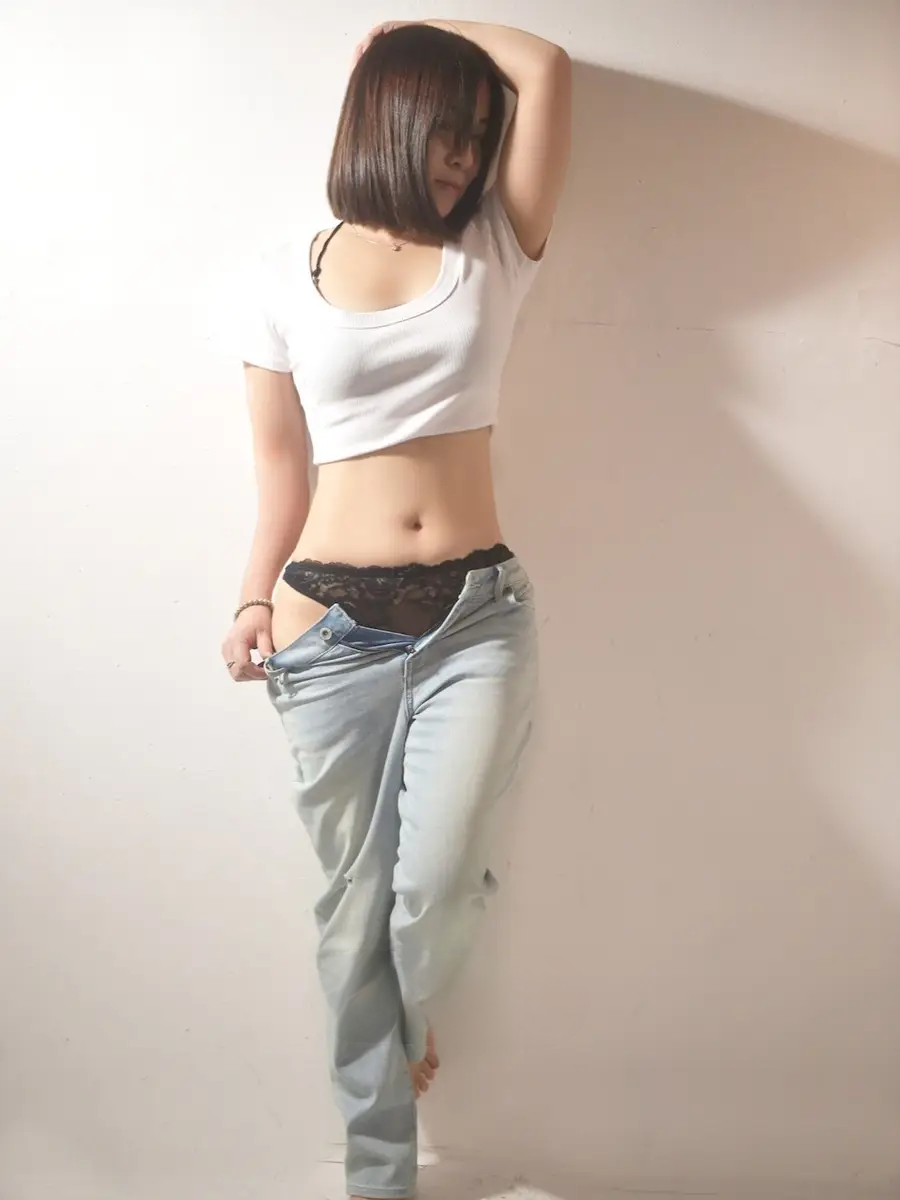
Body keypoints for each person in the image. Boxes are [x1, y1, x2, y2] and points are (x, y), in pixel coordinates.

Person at [221, 19, 571, 1200]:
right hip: (324, 629)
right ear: (384, 120)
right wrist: (250, 596)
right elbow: (281, 473)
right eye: (442, 136)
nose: (463, 160)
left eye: (475, 139)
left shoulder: (497, 246)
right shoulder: (281, 273)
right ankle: (381, 1178)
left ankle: (404, 1013)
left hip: (476, 614)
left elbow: (546, 69)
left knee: (433, 886)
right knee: (350, 908)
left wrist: (419, 27)